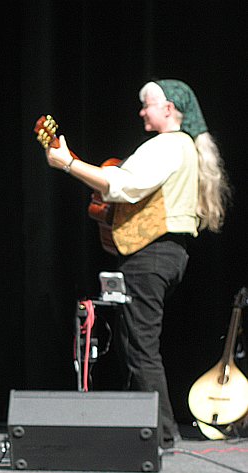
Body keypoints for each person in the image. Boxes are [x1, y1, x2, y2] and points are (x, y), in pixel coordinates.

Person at [45, 79, 230, 448]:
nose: (142, 111)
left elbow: (123, 185)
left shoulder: (167, 146)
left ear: (169, 109)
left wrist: (68, 163)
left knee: (141, 347)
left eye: (148, 105)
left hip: (152, 256)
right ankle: (140, 428)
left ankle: (159, 435)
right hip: (166, 255)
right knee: (134, 343)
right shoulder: (186, 148)